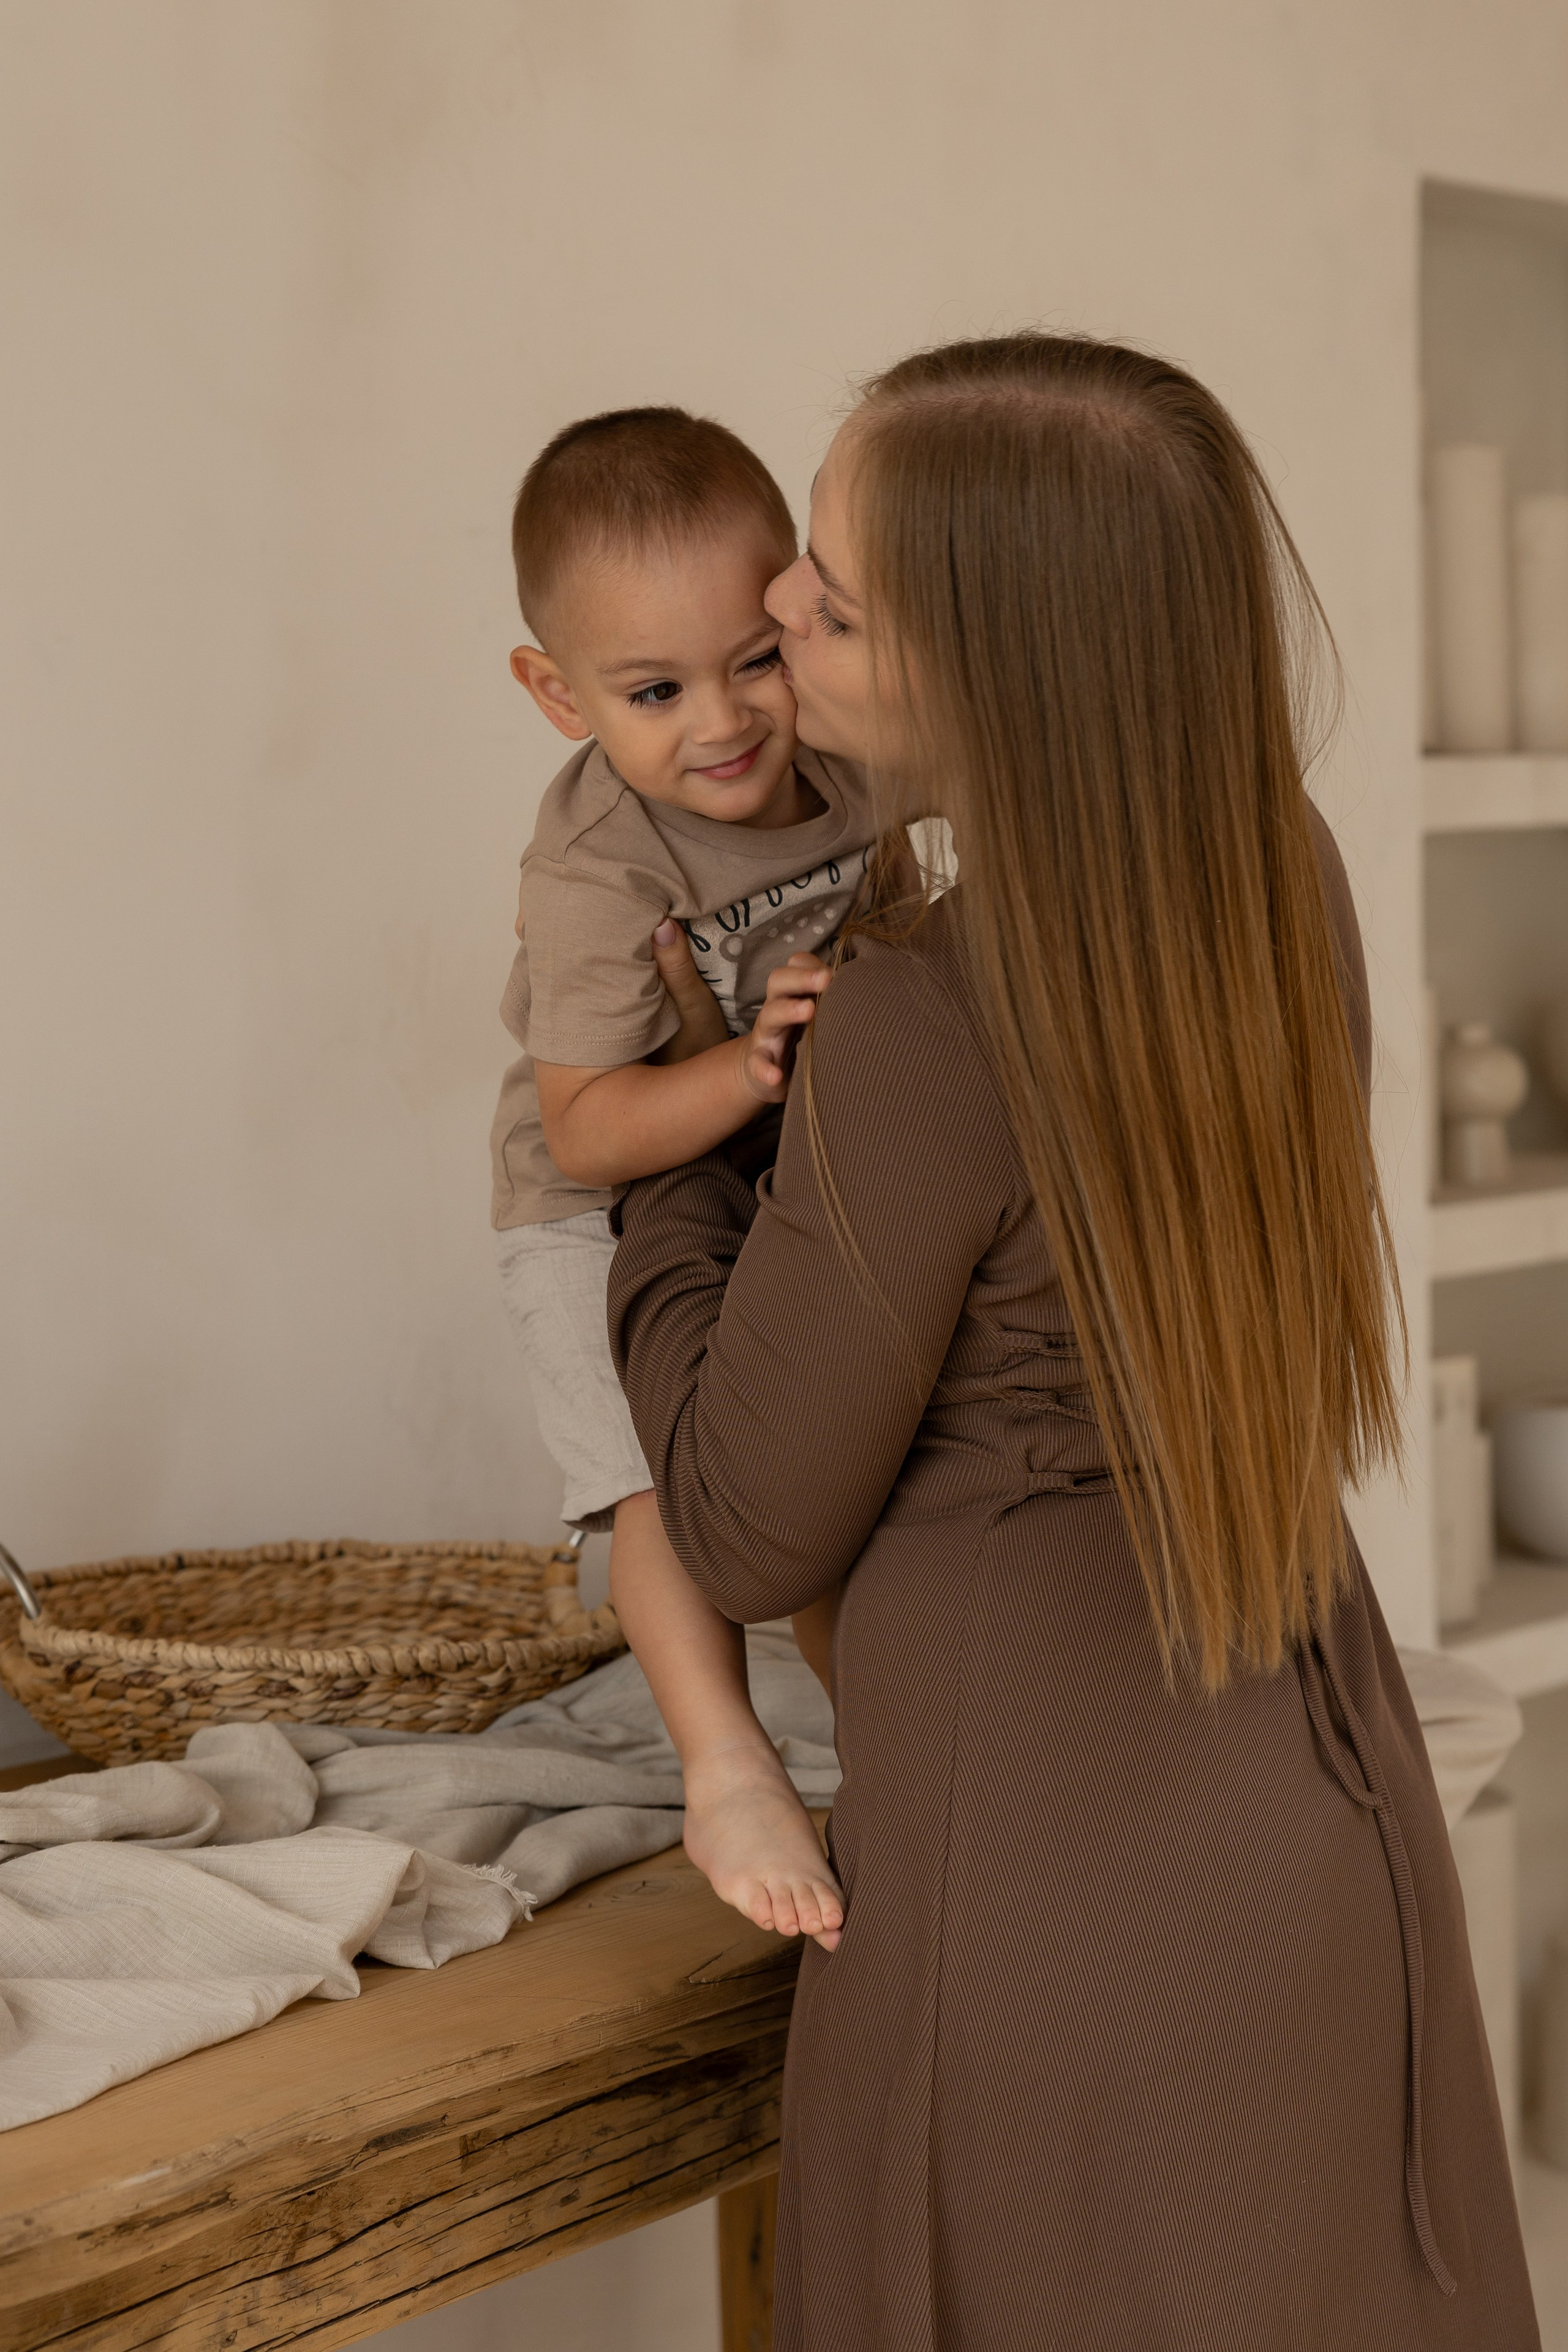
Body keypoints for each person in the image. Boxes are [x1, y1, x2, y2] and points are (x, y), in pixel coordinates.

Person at [607, 335, 1539, 2347]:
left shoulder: (922, 1034)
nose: (773, 609)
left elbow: (742, 1523)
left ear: (991, 682)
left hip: (1044, 1930)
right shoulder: (1277, 871)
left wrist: (674, 1154)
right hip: (1315, 1852)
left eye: (834, 605)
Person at [490, 407, 861, 1950]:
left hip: (756, 1161)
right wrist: (743, 1069)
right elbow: (583, 1128)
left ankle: (905, 1735)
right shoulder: (598, 861)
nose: (721, 720)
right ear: (555, 693)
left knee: (854, 1449)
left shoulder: (853, 751)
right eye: (652, 692)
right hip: (588, 1200)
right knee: (650, 1476)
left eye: (750, 660)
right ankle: (725, 1761)